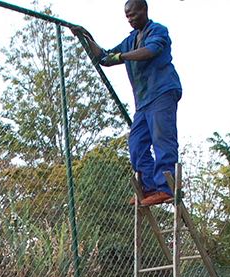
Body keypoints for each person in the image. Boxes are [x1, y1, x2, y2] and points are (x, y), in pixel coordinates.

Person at [73, 0, 182, 207]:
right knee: (136, 144)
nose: (130, 19)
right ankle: (149, 186)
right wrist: (86, 37)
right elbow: (105, 58)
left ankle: (166, 187)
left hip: (161, 92)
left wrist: (121, 57)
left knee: (162, 138)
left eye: (133, 14)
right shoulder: (130, 40)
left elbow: (149, 51)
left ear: (144, 10)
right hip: (142, 101)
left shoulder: (157, 31)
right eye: (127, 17)